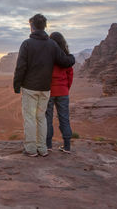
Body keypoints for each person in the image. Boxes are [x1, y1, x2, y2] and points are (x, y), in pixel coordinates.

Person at [13, 14, 75, 157]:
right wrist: (72, 58)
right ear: (45, 26)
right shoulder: (52, 44)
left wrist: (17, 85)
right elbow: (65, 61)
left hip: (30, 88)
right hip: (46, 89)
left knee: (30, 118)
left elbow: (21, 67)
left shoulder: (27, 44)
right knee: (41, 118)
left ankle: (30, 149)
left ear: (32, 26)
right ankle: (43, 149)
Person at [45, 32, 73, 154]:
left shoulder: (47, 57)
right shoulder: (66, 58)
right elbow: (70, 76)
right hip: (63, 92)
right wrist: (66, 88)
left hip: (49, 92)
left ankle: (48, 145)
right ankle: (67, 146)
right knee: (64, 119)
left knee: (47, 119)